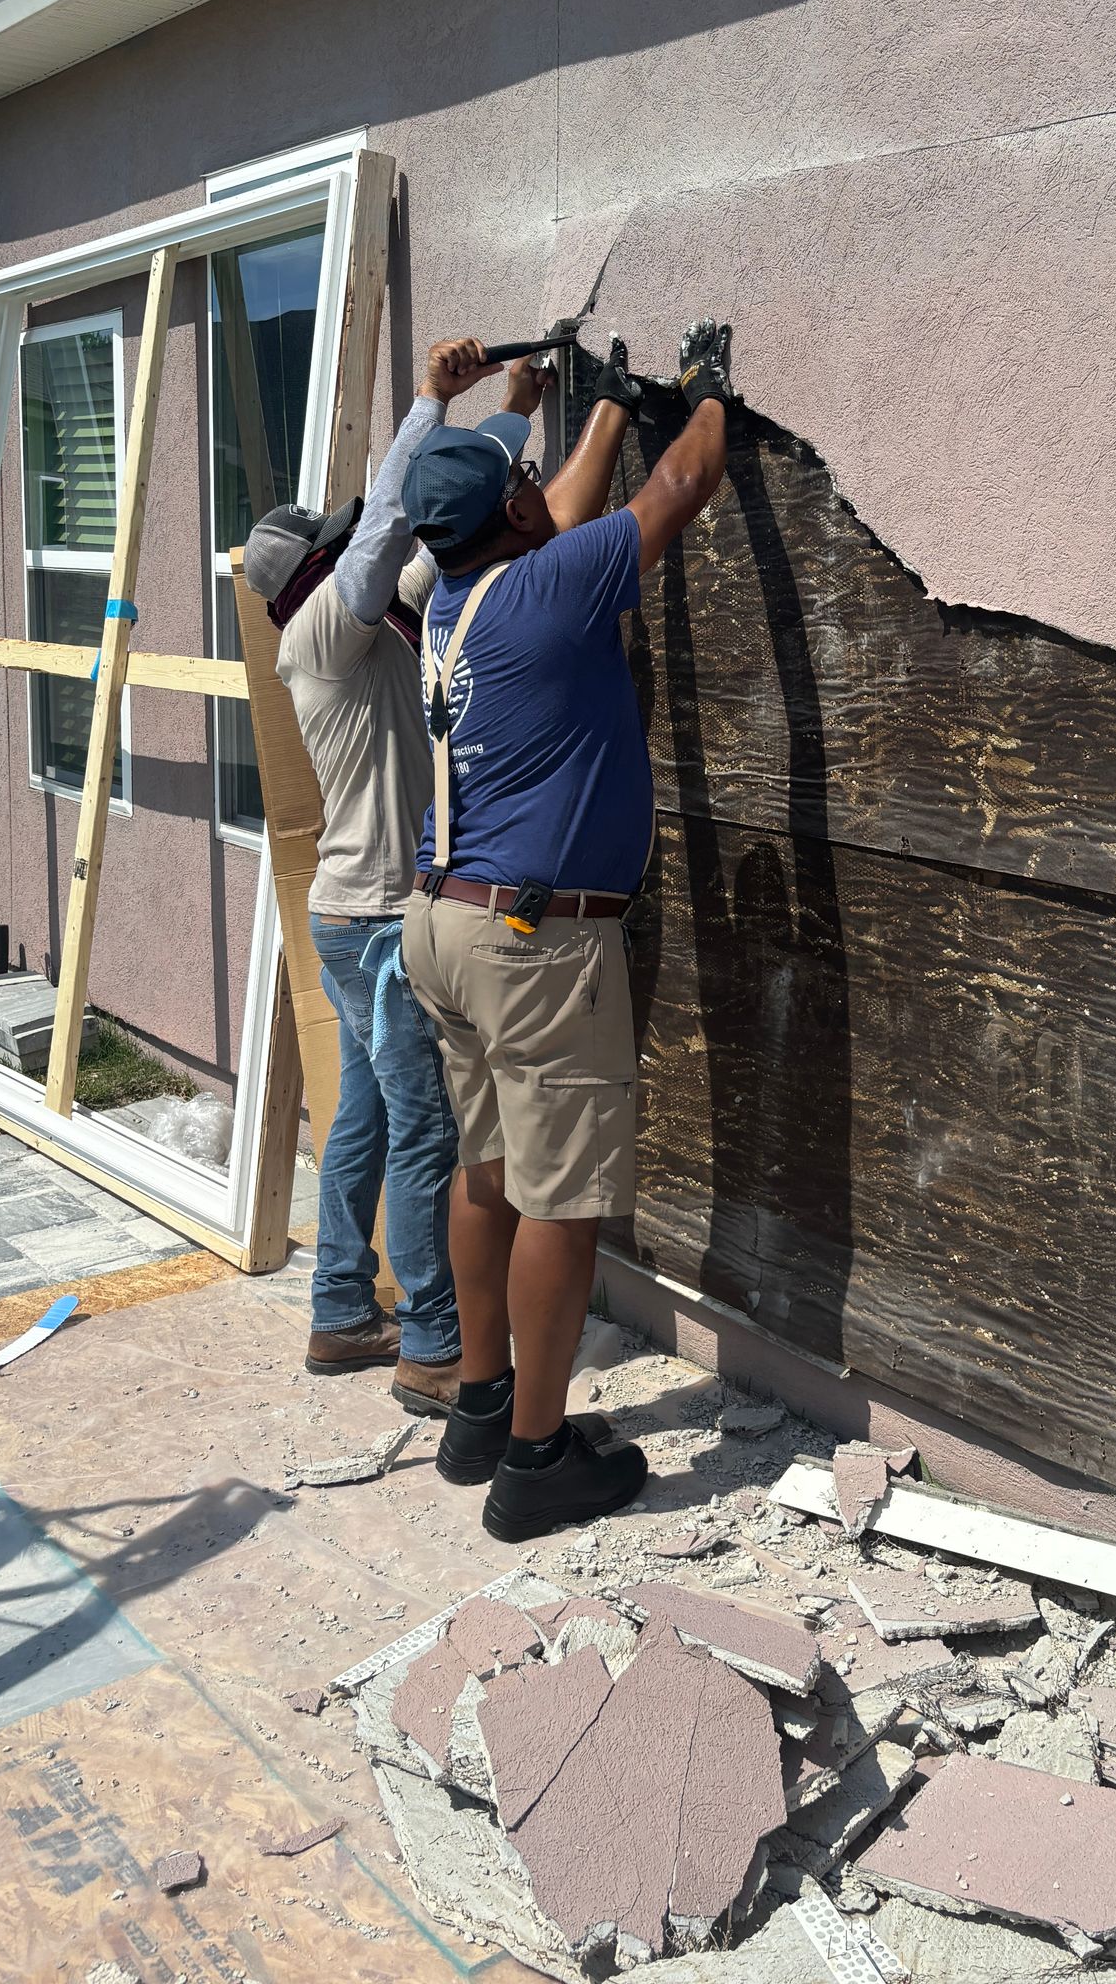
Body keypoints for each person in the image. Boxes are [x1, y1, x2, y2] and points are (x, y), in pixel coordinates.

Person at [242, 334, 640, 1412]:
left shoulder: (370, 639)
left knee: (366, 1123)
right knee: (434, 1134)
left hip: (364, 918)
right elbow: (388, 534)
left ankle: (338, 1312)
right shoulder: (324, 636)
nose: (360, 555)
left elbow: (445, 527)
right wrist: (430, 398)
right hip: (378, 921)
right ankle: (432, 1345)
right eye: (334, 555)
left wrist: (509, 419)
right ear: (311, 584)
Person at [400, 318, 734, 1540]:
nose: (543, 496)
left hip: (445, 925)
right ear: (519, 515)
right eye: (528, 490)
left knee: (487, 1168)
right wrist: (705, 395)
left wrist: (590, 412)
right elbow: (684, 483)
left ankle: (481, 1402)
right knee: (563, 1195)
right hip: (537, 946)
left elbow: (551, 510)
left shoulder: (453, 595)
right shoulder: (550, 582)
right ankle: (536, 1461)